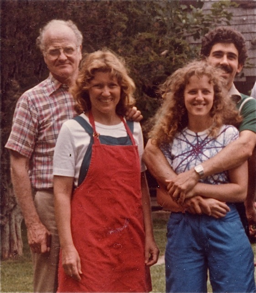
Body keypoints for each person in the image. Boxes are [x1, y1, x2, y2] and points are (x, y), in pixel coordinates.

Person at [5, 19, 142, 293]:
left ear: (80, 50)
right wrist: (33, 223)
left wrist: (130, 113)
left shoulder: (100, 90)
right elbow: (18, 163)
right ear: (44, 56)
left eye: (68, 49)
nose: (62, 57)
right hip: (52, 203)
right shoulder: (32, 100)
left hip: (100, 205)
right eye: (53, 51)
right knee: (52, 282)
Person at [53, 49, 159, 292]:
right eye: (98, 86)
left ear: (122, 89)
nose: (106, 92)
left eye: (112, 85)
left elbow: (141, 187)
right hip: (88, 244)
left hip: (129, 240)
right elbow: (61, 193)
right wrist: (68, 247)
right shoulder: (72, 129)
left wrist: (149, 236)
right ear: (86, 90)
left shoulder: (135, 129)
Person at [149, 60, 255, 292]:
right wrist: (195, 203)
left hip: (224, 222)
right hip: (183, 226)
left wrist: (195, 186)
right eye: (192, 92)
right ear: (181, 97)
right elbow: (163, 195)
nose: (199, 97)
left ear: (215, 96)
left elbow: (239, 191)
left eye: (206, 91)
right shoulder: (168, 139)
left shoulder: (229, 136)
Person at [143, 26, 256, 238]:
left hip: (231, 206)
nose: (224, 61)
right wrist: (182, 191)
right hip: (187, 210)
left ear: (239, 66)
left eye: (231, 57)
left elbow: (244, 147)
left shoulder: (248, 106)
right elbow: (151, 150)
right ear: (205, 60)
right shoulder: (187, 102)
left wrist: (195, 175)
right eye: (217, 55)